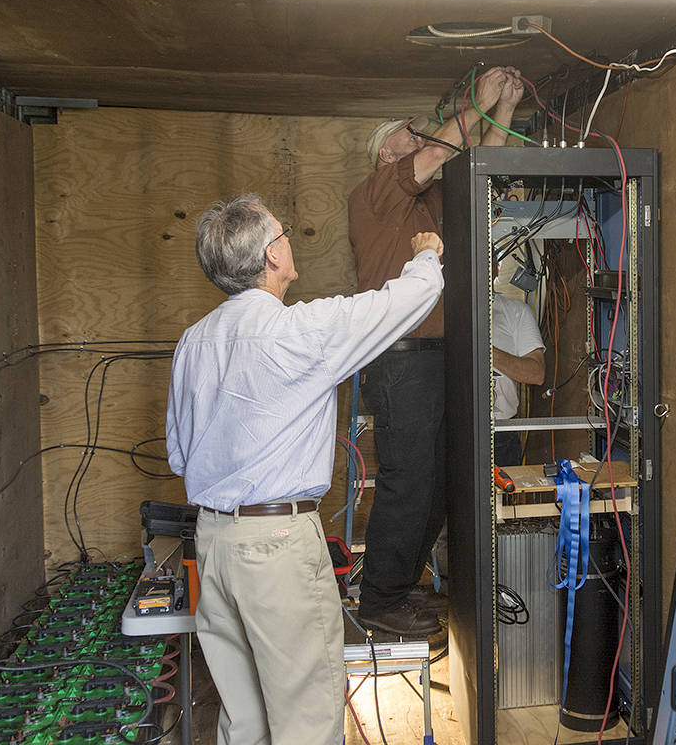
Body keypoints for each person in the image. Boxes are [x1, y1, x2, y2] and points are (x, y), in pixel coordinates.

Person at [166, 193, 444, 745]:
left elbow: (179, 455)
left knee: (243, 720)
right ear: (272, 256)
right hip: (277, 546)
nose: (290, 241)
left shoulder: (192, 342)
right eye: (284, 233)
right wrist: (428, 252)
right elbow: (411, 298)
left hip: (213, 544)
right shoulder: (301, 332)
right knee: (307, 724)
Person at [349, 65, 524, 636]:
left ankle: (400, 589)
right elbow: (441, 146)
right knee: (408, 478)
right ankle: (378, 601)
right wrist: (478, 97)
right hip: (401, 358)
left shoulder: (430, 202)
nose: (420, 138)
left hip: (438, 354)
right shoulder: (376, 194)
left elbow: (484, 164)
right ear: (386, 156)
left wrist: (504, 109)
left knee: (443, 478)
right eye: (408, 133)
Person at [492, 259, 546, 472]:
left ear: (496, 268)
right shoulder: (440, 309)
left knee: (503, 502)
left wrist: (487, 352)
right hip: (453, 429)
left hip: (501, 433)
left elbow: (537, 373)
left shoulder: (515, 312)